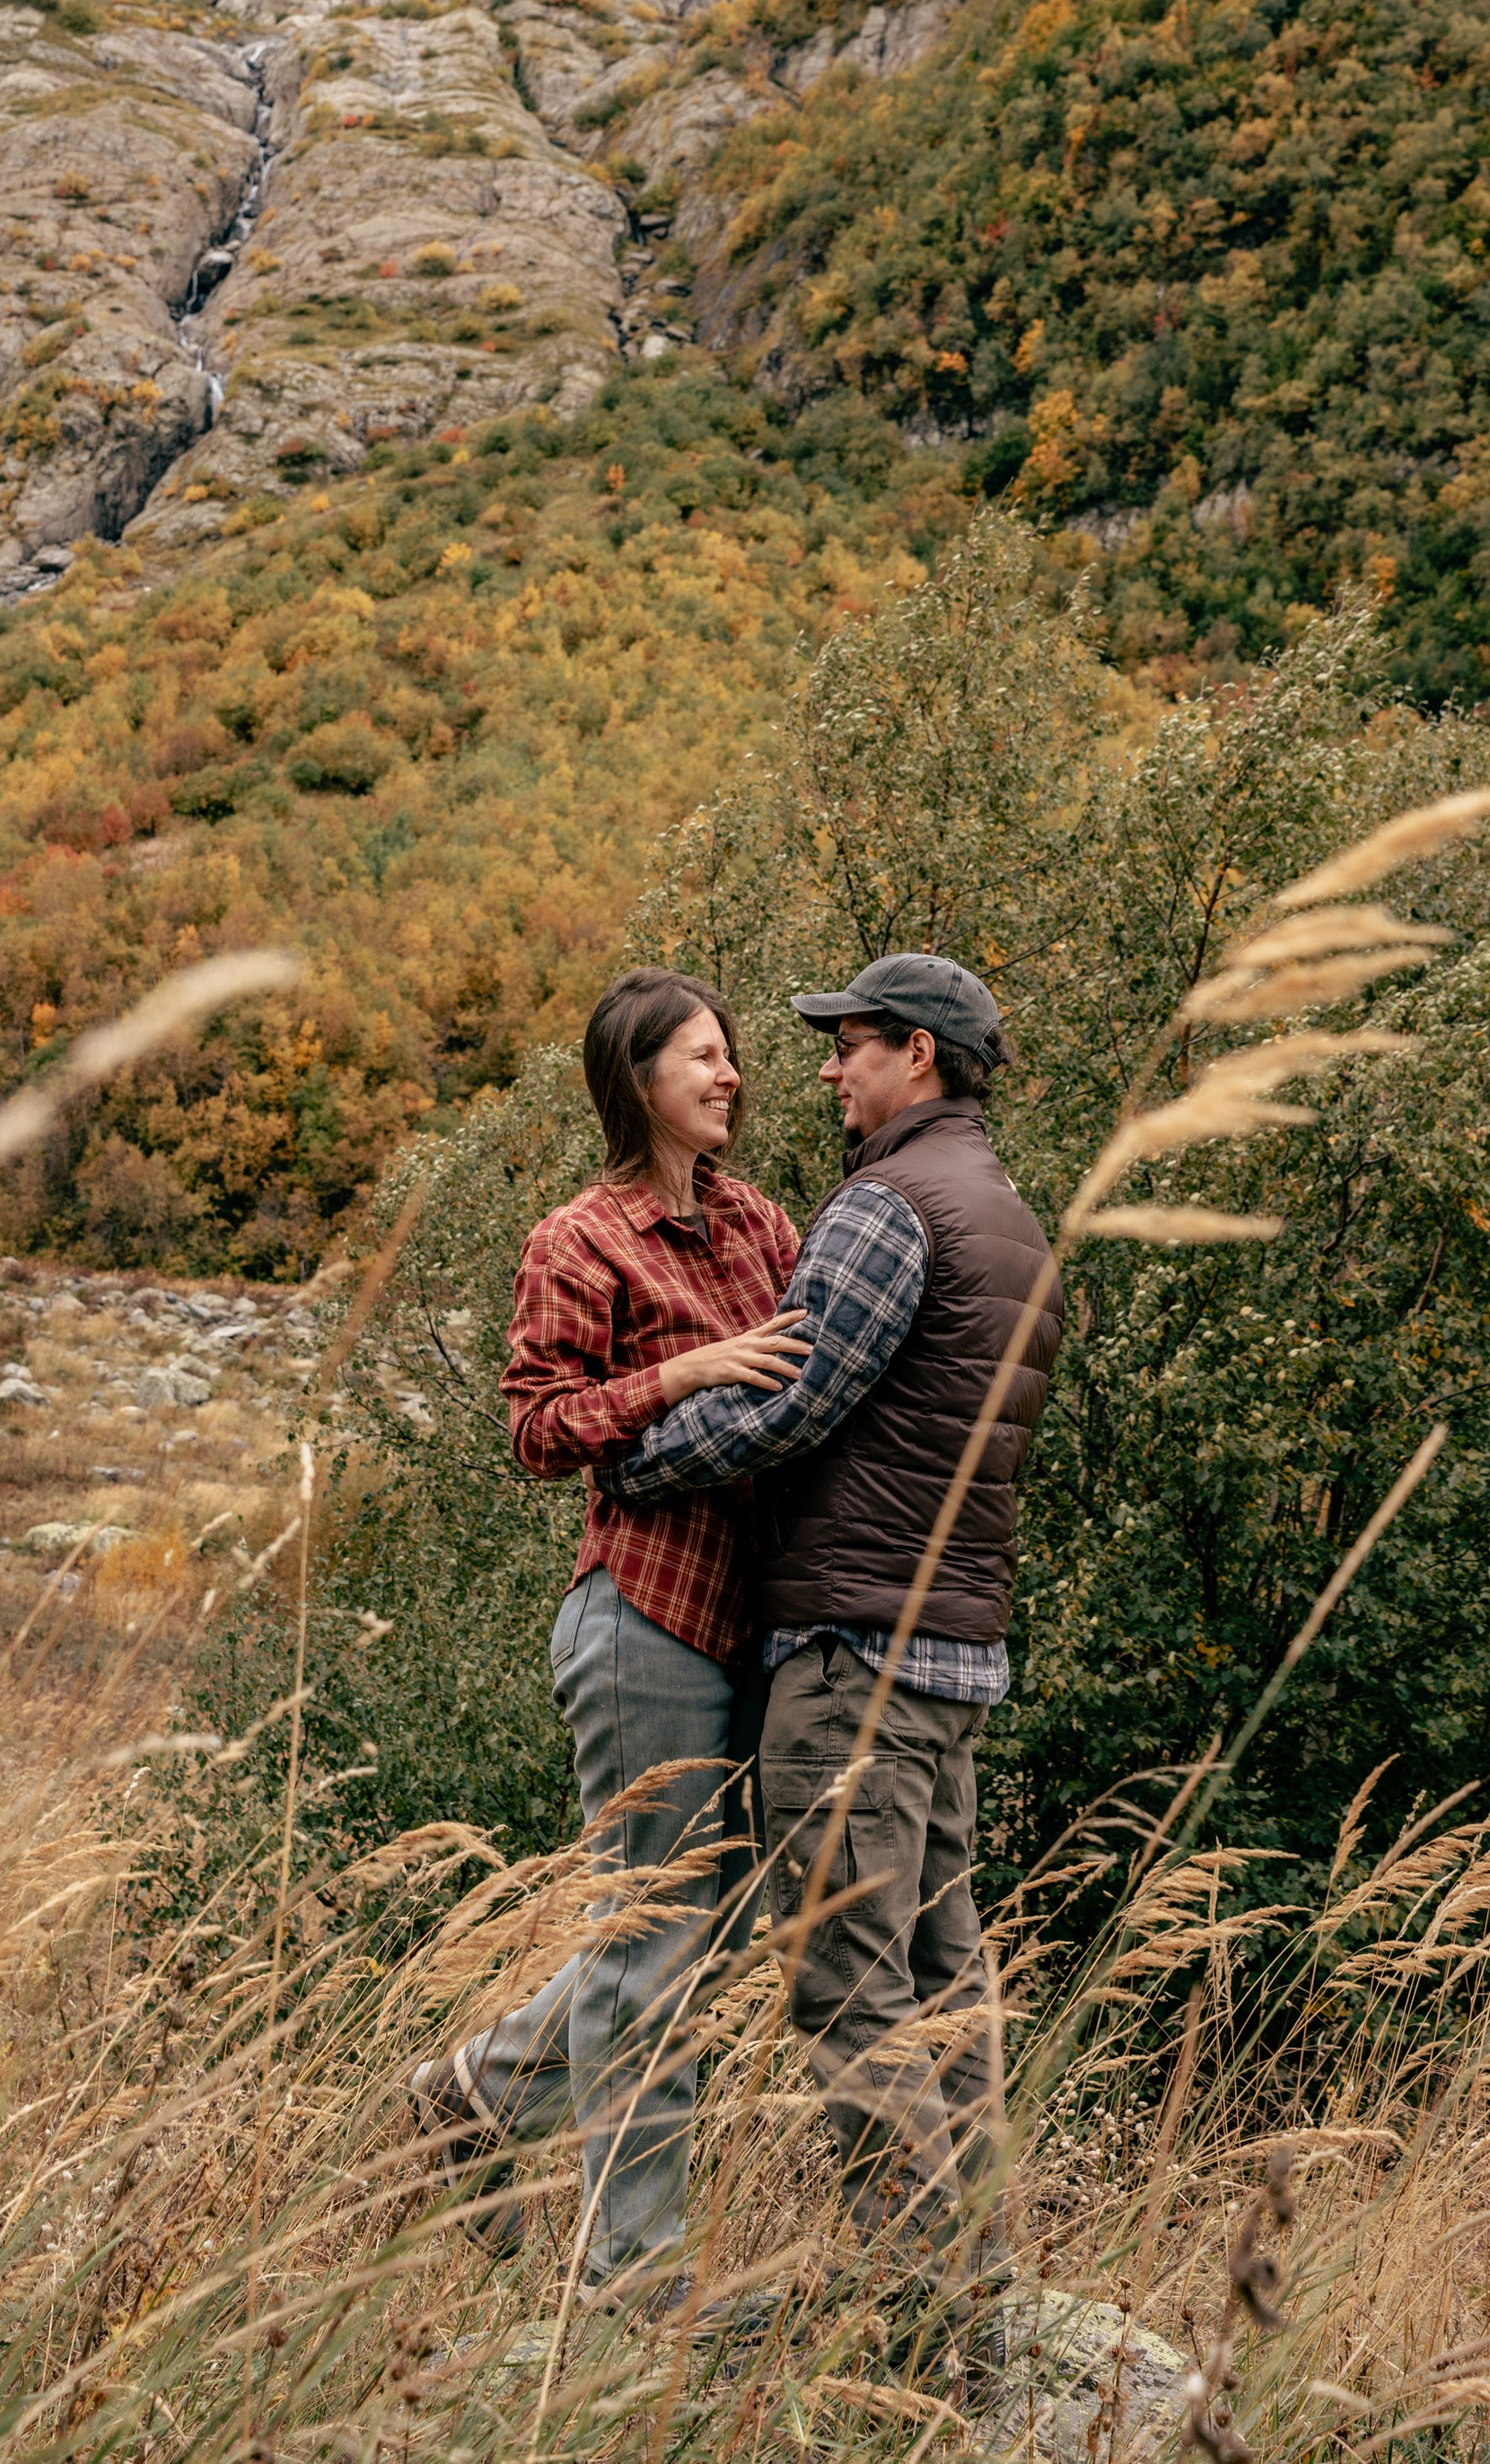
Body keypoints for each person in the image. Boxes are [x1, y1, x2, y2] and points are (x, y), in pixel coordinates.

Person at [599, 951, 1061, 2366]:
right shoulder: (1009, 1215)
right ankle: (984, 2282)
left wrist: (637, 1455)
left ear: (916, 1055)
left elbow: (792, 1398)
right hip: (954, 1660)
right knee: (942, 1981)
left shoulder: (888, 1204)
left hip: (857, 1655)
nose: (825, 1066)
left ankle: (929, 2310)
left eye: (849, 1043)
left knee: (847, 1981)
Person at [407, 966, 808, 2301]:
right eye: (702, 1056)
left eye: (731, 1052)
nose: (730, 1073)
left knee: (718, 1924)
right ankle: (634, 2274)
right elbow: (537, 1426)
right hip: (645, 1616)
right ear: (638, 1081)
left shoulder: (761, 1224)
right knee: (652, 1942)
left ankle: (481, 2090)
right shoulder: (579, 1238)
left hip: (756, 1622)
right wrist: (680, 1372)